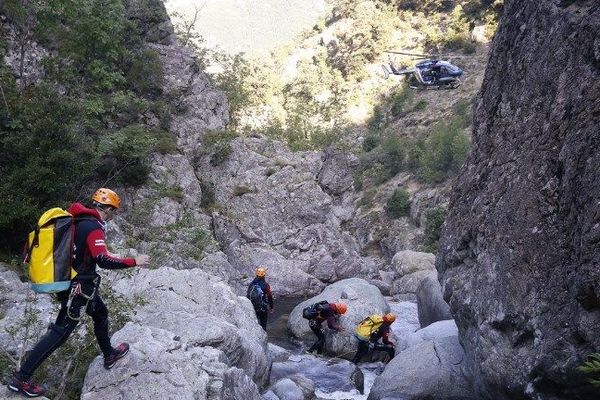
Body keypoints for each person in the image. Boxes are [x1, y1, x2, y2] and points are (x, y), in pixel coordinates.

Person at [8, 188, 150, 398]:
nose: (113, 214)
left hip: (73, 281)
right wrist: (133, 261)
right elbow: (103, 260)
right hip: (79, 287)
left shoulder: (78, 220)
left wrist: (106, 253)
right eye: (114, 210)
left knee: (100, 313)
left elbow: (87, 250)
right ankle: (22, 378)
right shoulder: (94, 227)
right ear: (109, 208)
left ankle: (109, 354)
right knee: (60, 333)